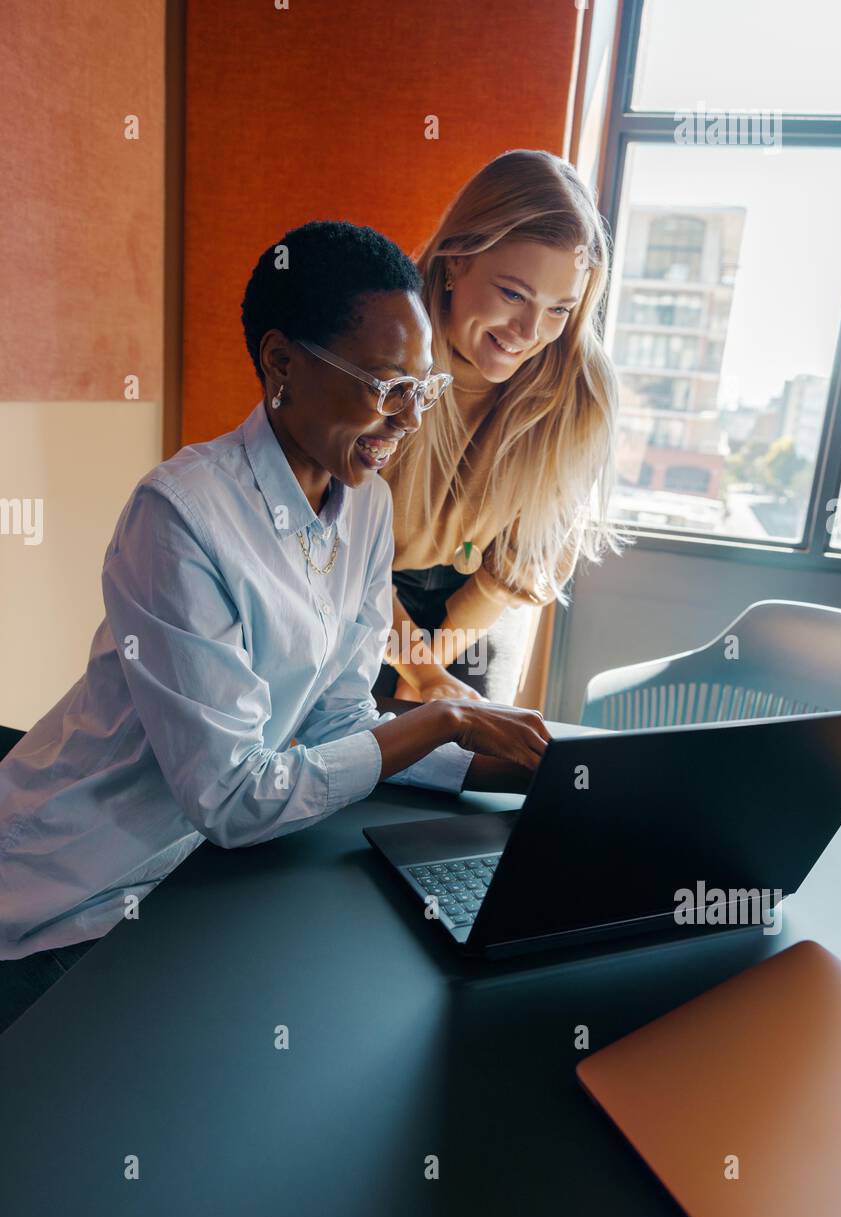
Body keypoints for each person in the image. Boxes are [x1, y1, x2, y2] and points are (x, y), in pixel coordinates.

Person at [0, 221, 549, 960]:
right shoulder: (181, 515)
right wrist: (444, 718)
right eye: (387, 386)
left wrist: (526, 767)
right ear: (282, 361)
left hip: (189, 876)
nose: (411, 417)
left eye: (422, 387)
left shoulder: (364, 507)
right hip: (67, 887)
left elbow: (337, 723)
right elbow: (233, 798)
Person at [372, 149, 620, 707]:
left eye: (560, 309)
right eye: (513, 294)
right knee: (358, 762)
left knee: (472, 776)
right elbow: (334, 551)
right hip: (368, 592)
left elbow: (518, 566)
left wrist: (429, 676)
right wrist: (421, 677)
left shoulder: (581, 394)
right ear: (457, 261)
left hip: (482, 595)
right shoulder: (379, 353)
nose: (529, 332)